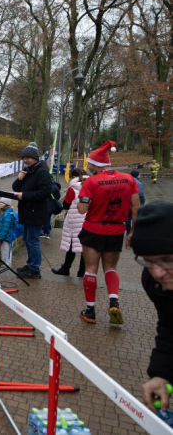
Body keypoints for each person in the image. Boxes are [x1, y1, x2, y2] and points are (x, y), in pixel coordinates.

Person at [76, 141, 140, 325]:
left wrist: (83, 196)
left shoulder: (91, 182)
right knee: (110, 268)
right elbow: (136, 208)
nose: (88, 168)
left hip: (94, 229)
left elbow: (82, 209)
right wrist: (132, 232)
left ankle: (90, 311)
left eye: (89, 165)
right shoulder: (129, 179)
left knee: (91, 269)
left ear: (96, 165)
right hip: (116, 230)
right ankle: (114, 302)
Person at [130, 201, 173, 413]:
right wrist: (162, 374)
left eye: (167, 260)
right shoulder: (154, 280)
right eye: (148, 261)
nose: (157, 272)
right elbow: (169, 325)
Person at [12, 142, 52, 279]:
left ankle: (35, 269)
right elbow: (15, 188)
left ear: (35, 157)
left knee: (33, 240)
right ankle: (30, 265)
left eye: (28, 157)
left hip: (36, 212)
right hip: (27, 211)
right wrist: (19, 179)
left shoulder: (42, 171)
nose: (25, 160)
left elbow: (45, 192)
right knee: (27, 239)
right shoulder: (29, 170)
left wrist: (24, 196)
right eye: (24, 157)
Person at [52, 168, 87, 278]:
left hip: (74, 220)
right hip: (87, 220)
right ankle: (82, 273)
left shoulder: (73, 188)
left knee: (71, 246)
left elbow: (66, 205)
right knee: (85, 248)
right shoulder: (91, 187)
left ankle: (65, 268)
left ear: (73, 177)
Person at [0, 197, 16, 266]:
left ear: (6, 204)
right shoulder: (5, 212)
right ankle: (5, 264)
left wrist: (1, 238)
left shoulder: (7, 214)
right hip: (7, 236)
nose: (0, 204)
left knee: (6, 251)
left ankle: (7, 265)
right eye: (0, 202)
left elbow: (5, 227)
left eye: (2, 203)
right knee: (6, 251)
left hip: (6, 236)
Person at [126, 170, 146, 235]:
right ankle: (136, 231)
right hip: (136, 202)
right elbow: (141, 194)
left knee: (128, 218)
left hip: (128, 203)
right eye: (139, 174)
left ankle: (128, 231)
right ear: (137, 175)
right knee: (137, 217)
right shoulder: (138, 183)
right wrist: (142, 201)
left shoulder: (127, 181)